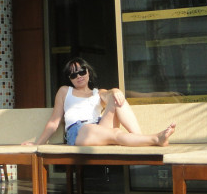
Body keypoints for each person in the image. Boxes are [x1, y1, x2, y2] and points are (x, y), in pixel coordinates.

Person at [23, 57, 176, 147]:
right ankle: (155, 139)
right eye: (73, 75)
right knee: (116, 133)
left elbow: (109, 95)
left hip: (99, 126)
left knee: (117, 98)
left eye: (82, 71)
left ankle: (140, 139)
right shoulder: (65, 91)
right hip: (79, 130)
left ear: (88, 72)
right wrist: (37, 144)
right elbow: (54, 122)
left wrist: (115, 90)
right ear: (70, 79)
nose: (79, 76)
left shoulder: (98, 93)